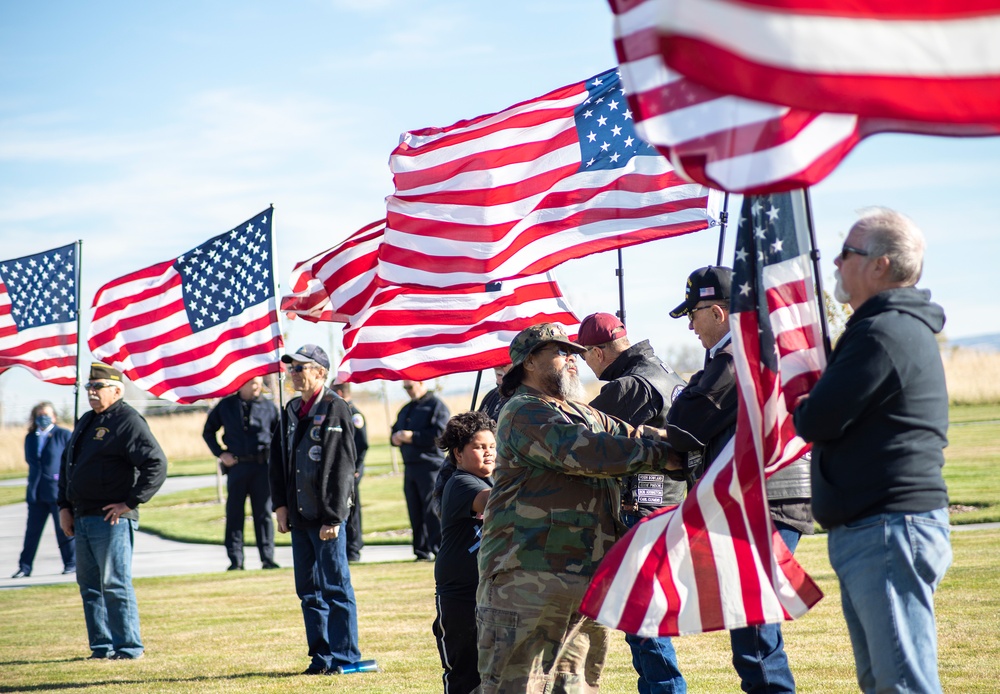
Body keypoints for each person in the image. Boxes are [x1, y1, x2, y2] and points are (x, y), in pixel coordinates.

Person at [793, 208, 951, 693]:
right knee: (884, 680)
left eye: (848, 253)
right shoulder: (885, 328)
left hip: (887, 528)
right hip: (880, 527)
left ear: (880, 264)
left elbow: (816, 418)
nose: (836, 262)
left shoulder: (883, 332)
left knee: (900, 682)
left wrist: (807, 402)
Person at [476, 323, 679, 693]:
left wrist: (691, 444)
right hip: (528, 578)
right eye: (560, 352)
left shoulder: (579, 411)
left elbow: (633, 434)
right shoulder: (522, 411)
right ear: (530, 362)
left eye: (573, 352)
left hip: (586, 579)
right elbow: (585, 451)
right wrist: (666, 457)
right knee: (516, 684)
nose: (573, 359)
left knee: (577, 686)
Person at [665, 267, 813, 694]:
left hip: (763, 504)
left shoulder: (736, 359)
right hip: (769, 500)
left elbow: (684, 425)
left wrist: (694, 388)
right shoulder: (757, 353)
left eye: (693, 315)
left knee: (752, 630)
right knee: (751, 624)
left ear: (717, 311)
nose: (690, 326)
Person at [575, 312, 688, 694]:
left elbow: (582, 441)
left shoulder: (629, 385)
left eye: (584, 355)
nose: (583, 364)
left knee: (641, 617)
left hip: (642, 510)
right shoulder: (663, 370)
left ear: (598, 351)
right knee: (639, 614)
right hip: (668, 503)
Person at [269, 344, 369, 675]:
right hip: (298, 516)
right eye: (291, 368)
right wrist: (280, 505)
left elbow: (342, 467)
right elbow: (277, 462)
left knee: (336, 588)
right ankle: (321, 657)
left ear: (320, 372)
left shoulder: (335, 407)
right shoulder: (290, 409)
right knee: (308, 592)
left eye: (299, 368)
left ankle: (346, 657)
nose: (293, 374)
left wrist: (333, 516)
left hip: (325, 520)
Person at [57, 363, 167, 660]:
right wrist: (64, 506)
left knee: (114, 583)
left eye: (98, 387)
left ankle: (128, 647)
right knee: (90, 586)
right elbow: (68, 466)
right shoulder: (86, 421)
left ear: (117, 390)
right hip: (82, 515)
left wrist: (130, 502)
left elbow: (155, 464)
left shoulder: (127, 421)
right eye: (89, 387)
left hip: (112, 519)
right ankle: (101, 646)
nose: (92, 392)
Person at [433, 411, 496, 694]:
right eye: (479, 447)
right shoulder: (461, 483)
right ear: (458, 454)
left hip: (490, 593)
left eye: (493, 446)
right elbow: (492, 503)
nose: (489, 453)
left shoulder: (490, 480)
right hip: (461, 597)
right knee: (465, 675)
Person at [202, 375, 280, 571]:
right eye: (254, 383)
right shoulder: (226, 406)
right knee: (234, 513)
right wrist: (221, 453)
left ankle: (267, 559)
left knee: (263, 514)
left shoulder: (269, 407)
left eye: (260, 383)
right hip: (237, 467)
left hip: (262, 468)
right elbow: (208, 432)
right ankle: (236, 560)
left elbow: (280, 437)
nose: (257, 387)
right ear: (243, 383)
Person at [12, 402, 75, 578]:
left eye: (46, 414)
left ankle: (70, 562)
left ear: (54, 416)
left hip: (56, 492)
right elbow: (30, 461)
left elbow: (70, 460)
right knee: (31, 532)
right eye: (39, 414)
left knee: (64, 529)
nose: (43, 417)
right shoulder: (31, 437)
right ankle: (25, 567)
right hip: (36, 492)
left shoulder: (62, 435)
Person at [391, 380, 450, 561]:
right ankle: (421, 551)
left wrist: (412, 437)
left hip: (430, 466)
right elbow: (394, 431)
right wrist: (395, 437)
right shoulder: (406, 409)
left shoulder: (436, 406)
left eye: (410, 387)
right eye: (405, 388)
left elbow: (441, 435)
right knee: (414, 509)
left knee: (432, 510)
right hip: (410, 466)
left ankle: (439, 550)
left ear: (421, 382)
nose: (408, 391)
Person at [331, 381, 369, 563]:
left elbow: (362, 445)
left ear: (339, 392)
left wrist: (355, 467)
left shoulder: (354, 415)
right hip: (341, 471)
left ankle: (353, 549)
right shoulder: (337, 413)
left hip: (350, 472)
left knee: (352, 510)